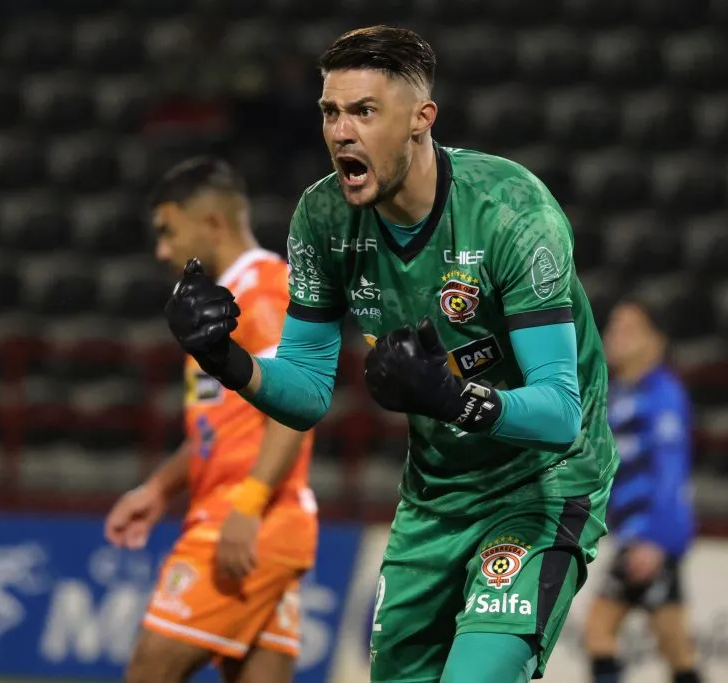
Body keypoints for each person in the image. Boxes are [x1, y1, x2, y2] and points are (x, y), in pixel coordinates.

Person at [162, 26, 619, 683]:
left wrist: (449, 395)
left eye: (364, 111)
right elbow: (309, 392)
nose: (341, 132)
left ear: (420, 120)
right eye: (330, 111)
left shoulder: (511, 212)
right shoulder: (322, 219)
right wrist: (224, 358)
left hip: (542, 487)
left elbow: (559, 413)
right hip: (434, 499)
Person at [104, 157, 317, 683]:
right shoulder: (222, 304)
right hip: (260, 522)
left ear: (213, 224)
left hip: (245, 518)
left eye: (168, 231)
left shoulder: (262, 292)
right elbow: (217, 429)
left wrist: (247, 507)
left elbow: (297, 408)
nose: (161, 250)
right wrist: (158, 488)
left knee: (148, 671)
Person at [585, 297, 700, 683]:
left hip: (651, 539)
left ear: (655, 342)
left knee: (599, 630)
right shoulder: (618, 393)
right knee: (676, 648)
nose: (613, 337)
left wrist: (654, 540)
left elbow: (671, 473)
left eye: (627, 330)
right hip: (635, 536)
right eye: (612, 328)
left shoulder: (662, 395)